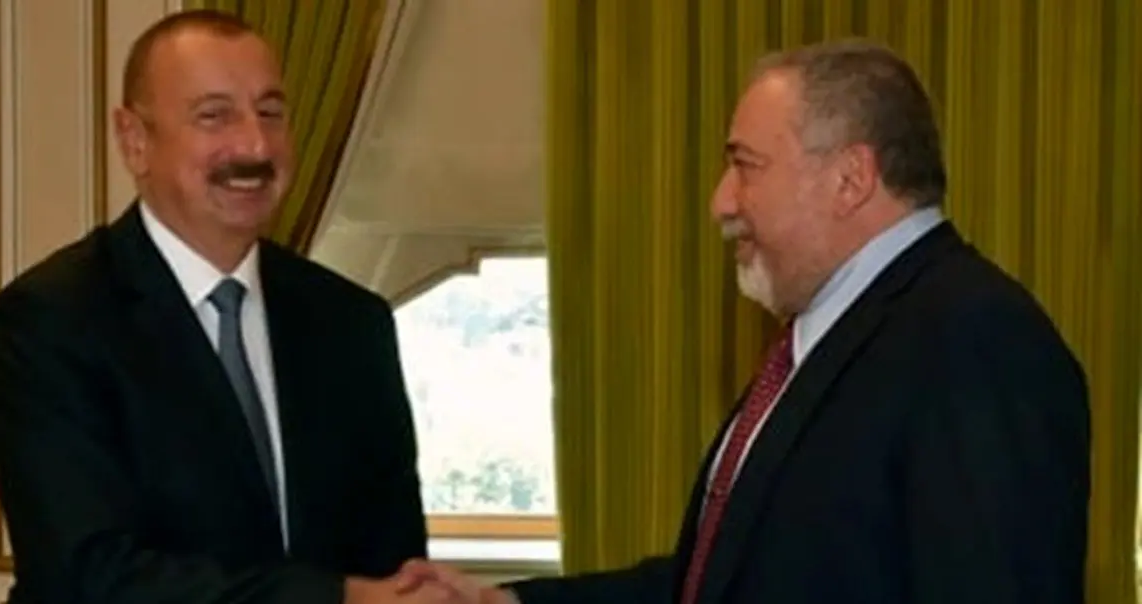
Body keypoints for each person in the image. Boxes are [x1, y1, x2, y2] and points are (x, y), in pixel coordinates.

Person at [396, 39, 1091, 604]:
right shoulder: (824, 341)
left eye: (746, 166)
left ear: (850, 179)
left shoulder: (976, 341)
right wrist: (501, 603)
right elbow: (716, 582)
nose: (722, 202)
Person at [0, 9, 448, 604]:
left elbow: (394, 564)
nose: (255, 144)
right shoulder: (49, 321)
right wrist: (339, 599)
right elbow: (88, 575)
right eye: (214, 115)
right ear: (134, 141)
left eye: (270, 113)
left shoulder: (352, 322)